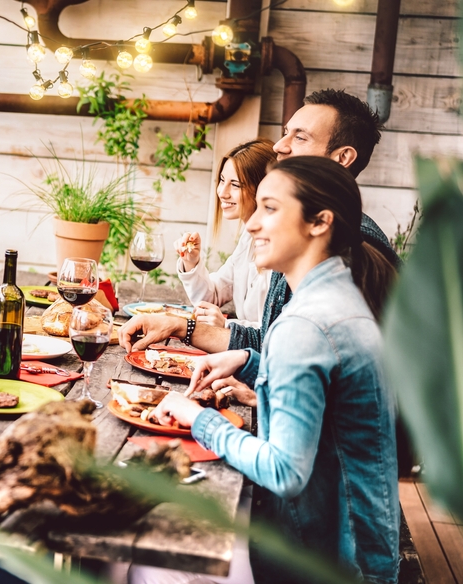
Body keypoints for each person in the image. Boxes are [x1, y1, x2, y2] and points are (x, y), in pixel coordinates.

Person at [151, 157, 400, 584]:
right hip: (365, 550)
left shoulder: (304, 325)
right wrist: (248, 361)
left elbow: (284, 473)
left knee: (151, 560)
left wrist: (197, 419)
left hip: (323, 563)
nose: (250, 224)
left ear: (319, 222)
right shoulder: (338, 295)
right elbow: (330, 383)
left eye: (270, 208)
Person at [121, 88, 398, 356]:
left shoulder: (351, 248)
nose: (279, 145)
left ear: (343, 158)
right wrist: (181, 326)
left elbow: (329, 386)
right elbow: (271, 343)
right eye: (285, 133)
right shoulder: (298, 232)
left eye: (300, 137)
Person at [175, 139, 275, 329]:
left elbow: (272, 332)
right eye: (222, 180)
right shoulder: (248, 238)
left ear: (262, 189)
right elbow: (211, 297)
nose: (222, 192)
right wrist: (191, 261)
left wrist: (226, 324)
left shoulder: (279, 252)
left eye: (235, 185)